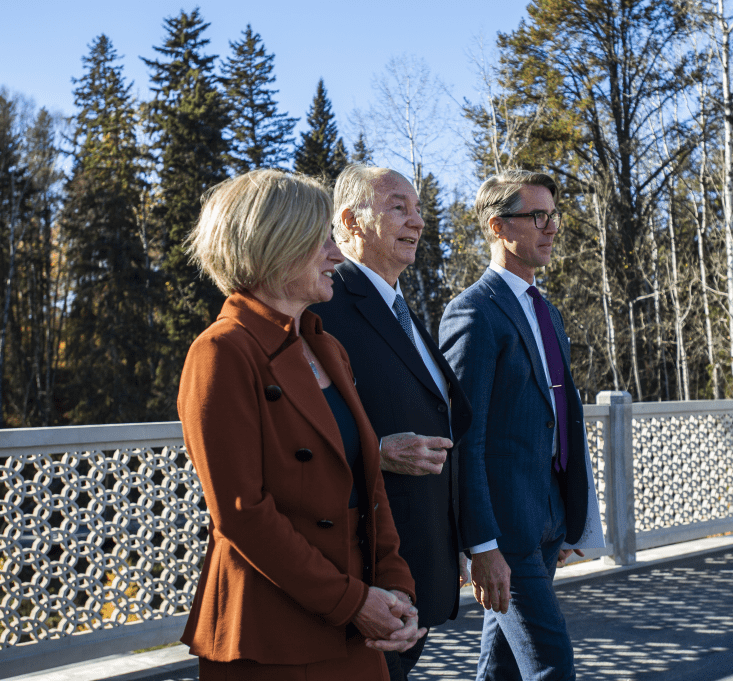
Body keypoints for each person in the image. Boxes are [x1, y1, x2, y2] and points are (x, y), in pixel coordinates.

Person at [177, 169, 425, 680]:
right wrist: (353, 601)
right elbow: (243, 514)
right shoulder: (221, 352)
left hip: (357, 625)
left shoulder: (326, 347)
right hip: (274, 635)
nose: (337, 255)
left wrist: (397, 589)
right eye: (323, 241)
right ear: (275, 245)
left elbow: (369, 484)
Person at [310, 164, 472, 681]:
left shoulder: (398, 303)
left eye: (419, 208)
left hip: (423, 557)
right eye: (398, 207)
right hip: (369, 569)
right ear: (350, 223)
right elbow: (300, 427)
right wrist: (378, 451)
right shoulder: (326, 305)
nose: (418, 221)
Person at [440, 170, 590, 681]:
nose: (550, 228)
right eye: (537, 217)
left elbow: (560, 416)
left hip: (546, 516)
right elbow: (466, 438)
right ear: (499, 226)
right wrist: (481, 545)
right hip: (506, 532)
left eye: (553, 217)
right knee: (552, 664)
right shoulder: (474, 313)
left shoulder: (547, 312)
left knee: (501, 663)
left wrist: (568, 514)